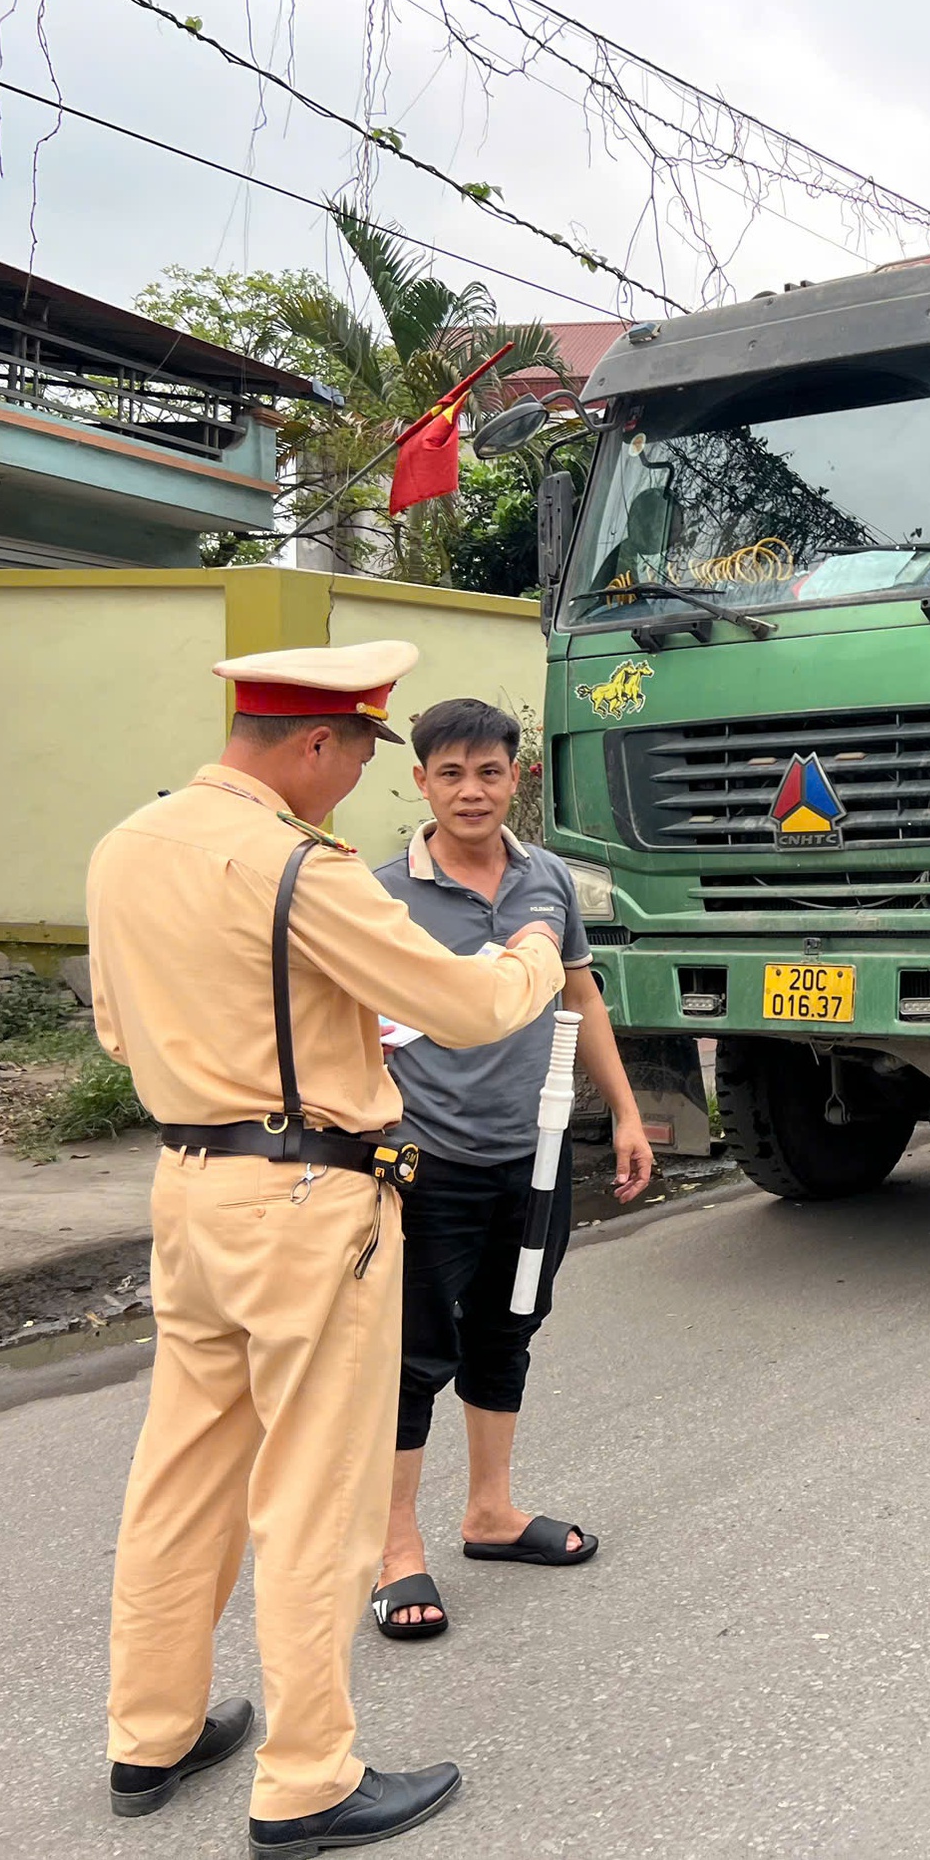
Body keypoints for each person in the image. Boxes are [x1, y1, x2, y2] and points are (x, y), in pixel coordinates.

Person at [87, 640, 568, 1858]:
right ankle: (307, 1779)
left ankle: (151, 1732)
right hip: (306, 1204)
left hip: (188, 1188)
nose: (359, 778)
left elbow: (116, 1032)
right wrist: (532, 944)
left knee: (181, 1475)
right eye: (359, 753)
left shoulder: (127, 846)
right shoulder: (300, 864)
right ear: (314, 742)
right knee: (317, 1494)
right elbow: (466, 1008)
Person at [368, 698, 653, 1640]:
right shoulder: (379, 894)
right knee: (413, 1355)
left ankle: (489, 1512)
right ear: (421, 782)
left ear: (514, 777)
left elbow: (580, 995)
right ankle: (395, 1549)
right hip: (426, 1160)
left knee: (507, 1330)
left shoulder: (548, 878)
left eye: (488, 772)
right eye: (450, 774)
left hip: (535, 1158)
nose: (471, 791)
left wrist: (625, 1112)